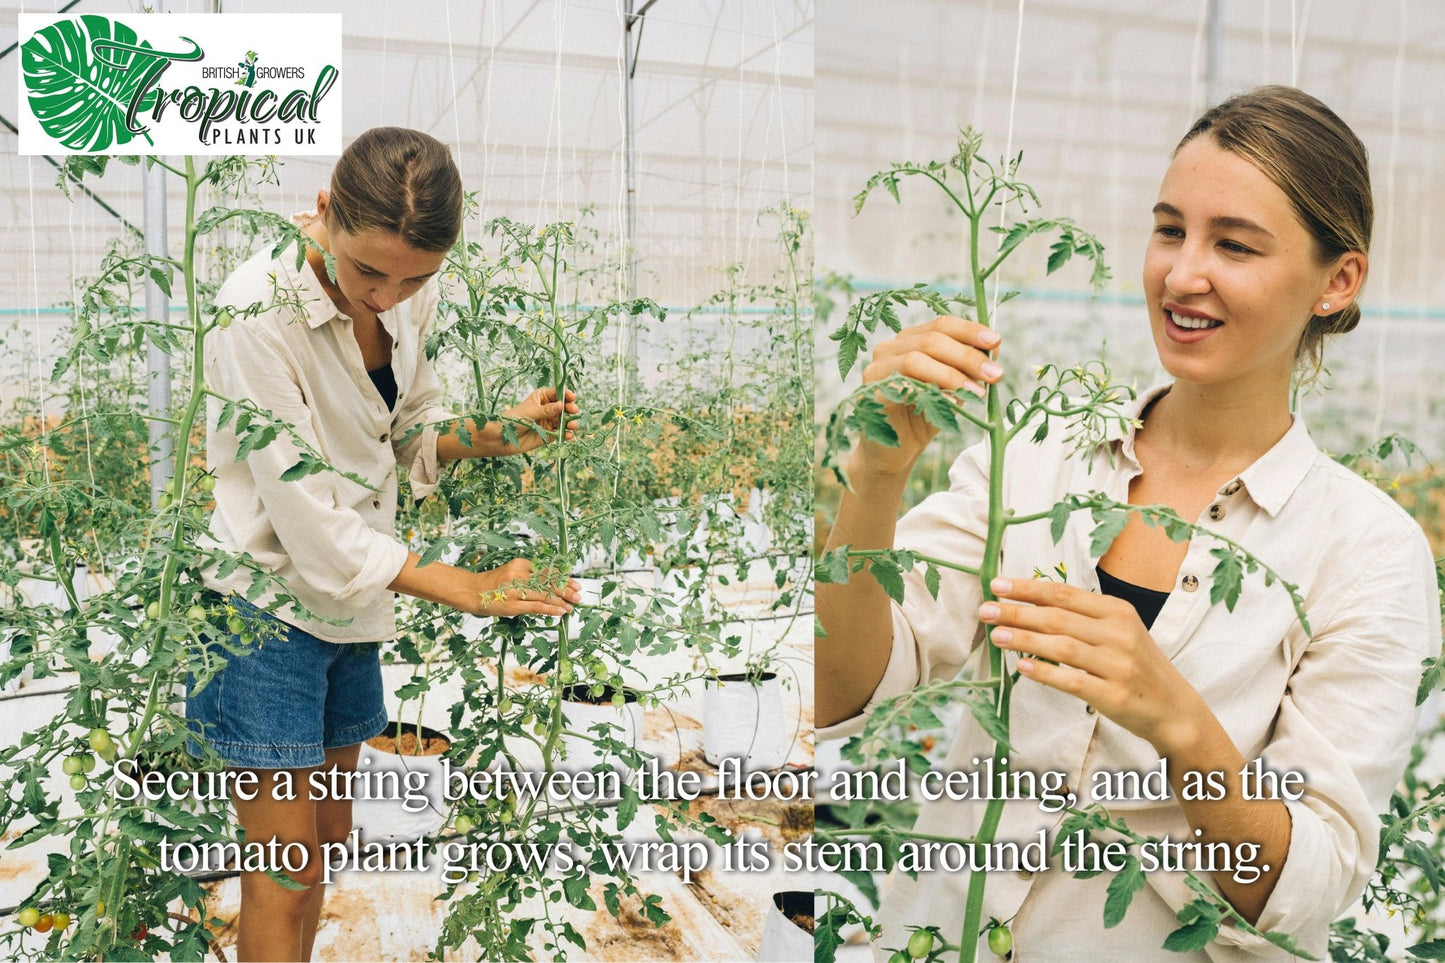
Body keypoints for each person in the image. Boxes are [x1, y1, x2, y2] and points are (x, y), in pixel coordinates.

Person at [817, 86, 1441, 961]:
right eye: (1167, 229)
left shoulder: (1366, 549)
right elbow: (842, 686)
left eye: (1234, 244)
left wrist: (1176, 720)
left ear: (1336, 281)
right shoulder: (1040, 451)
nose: (1183, 274)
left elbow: (1308, 879)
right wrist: (873, 473)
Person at [184, 127, 582, 962]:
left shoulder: (403, 290)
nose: (390, 296)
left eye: (417, 277)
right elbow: (308, 516)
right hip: (263, 613)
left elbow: (406, 430)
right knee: (282, 866)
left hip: (350, 612)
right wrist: (466, 585)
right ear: (325, 210)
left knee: (323, 840)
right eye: (370, 272)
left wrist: (491, 433)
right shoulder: (255, 310)